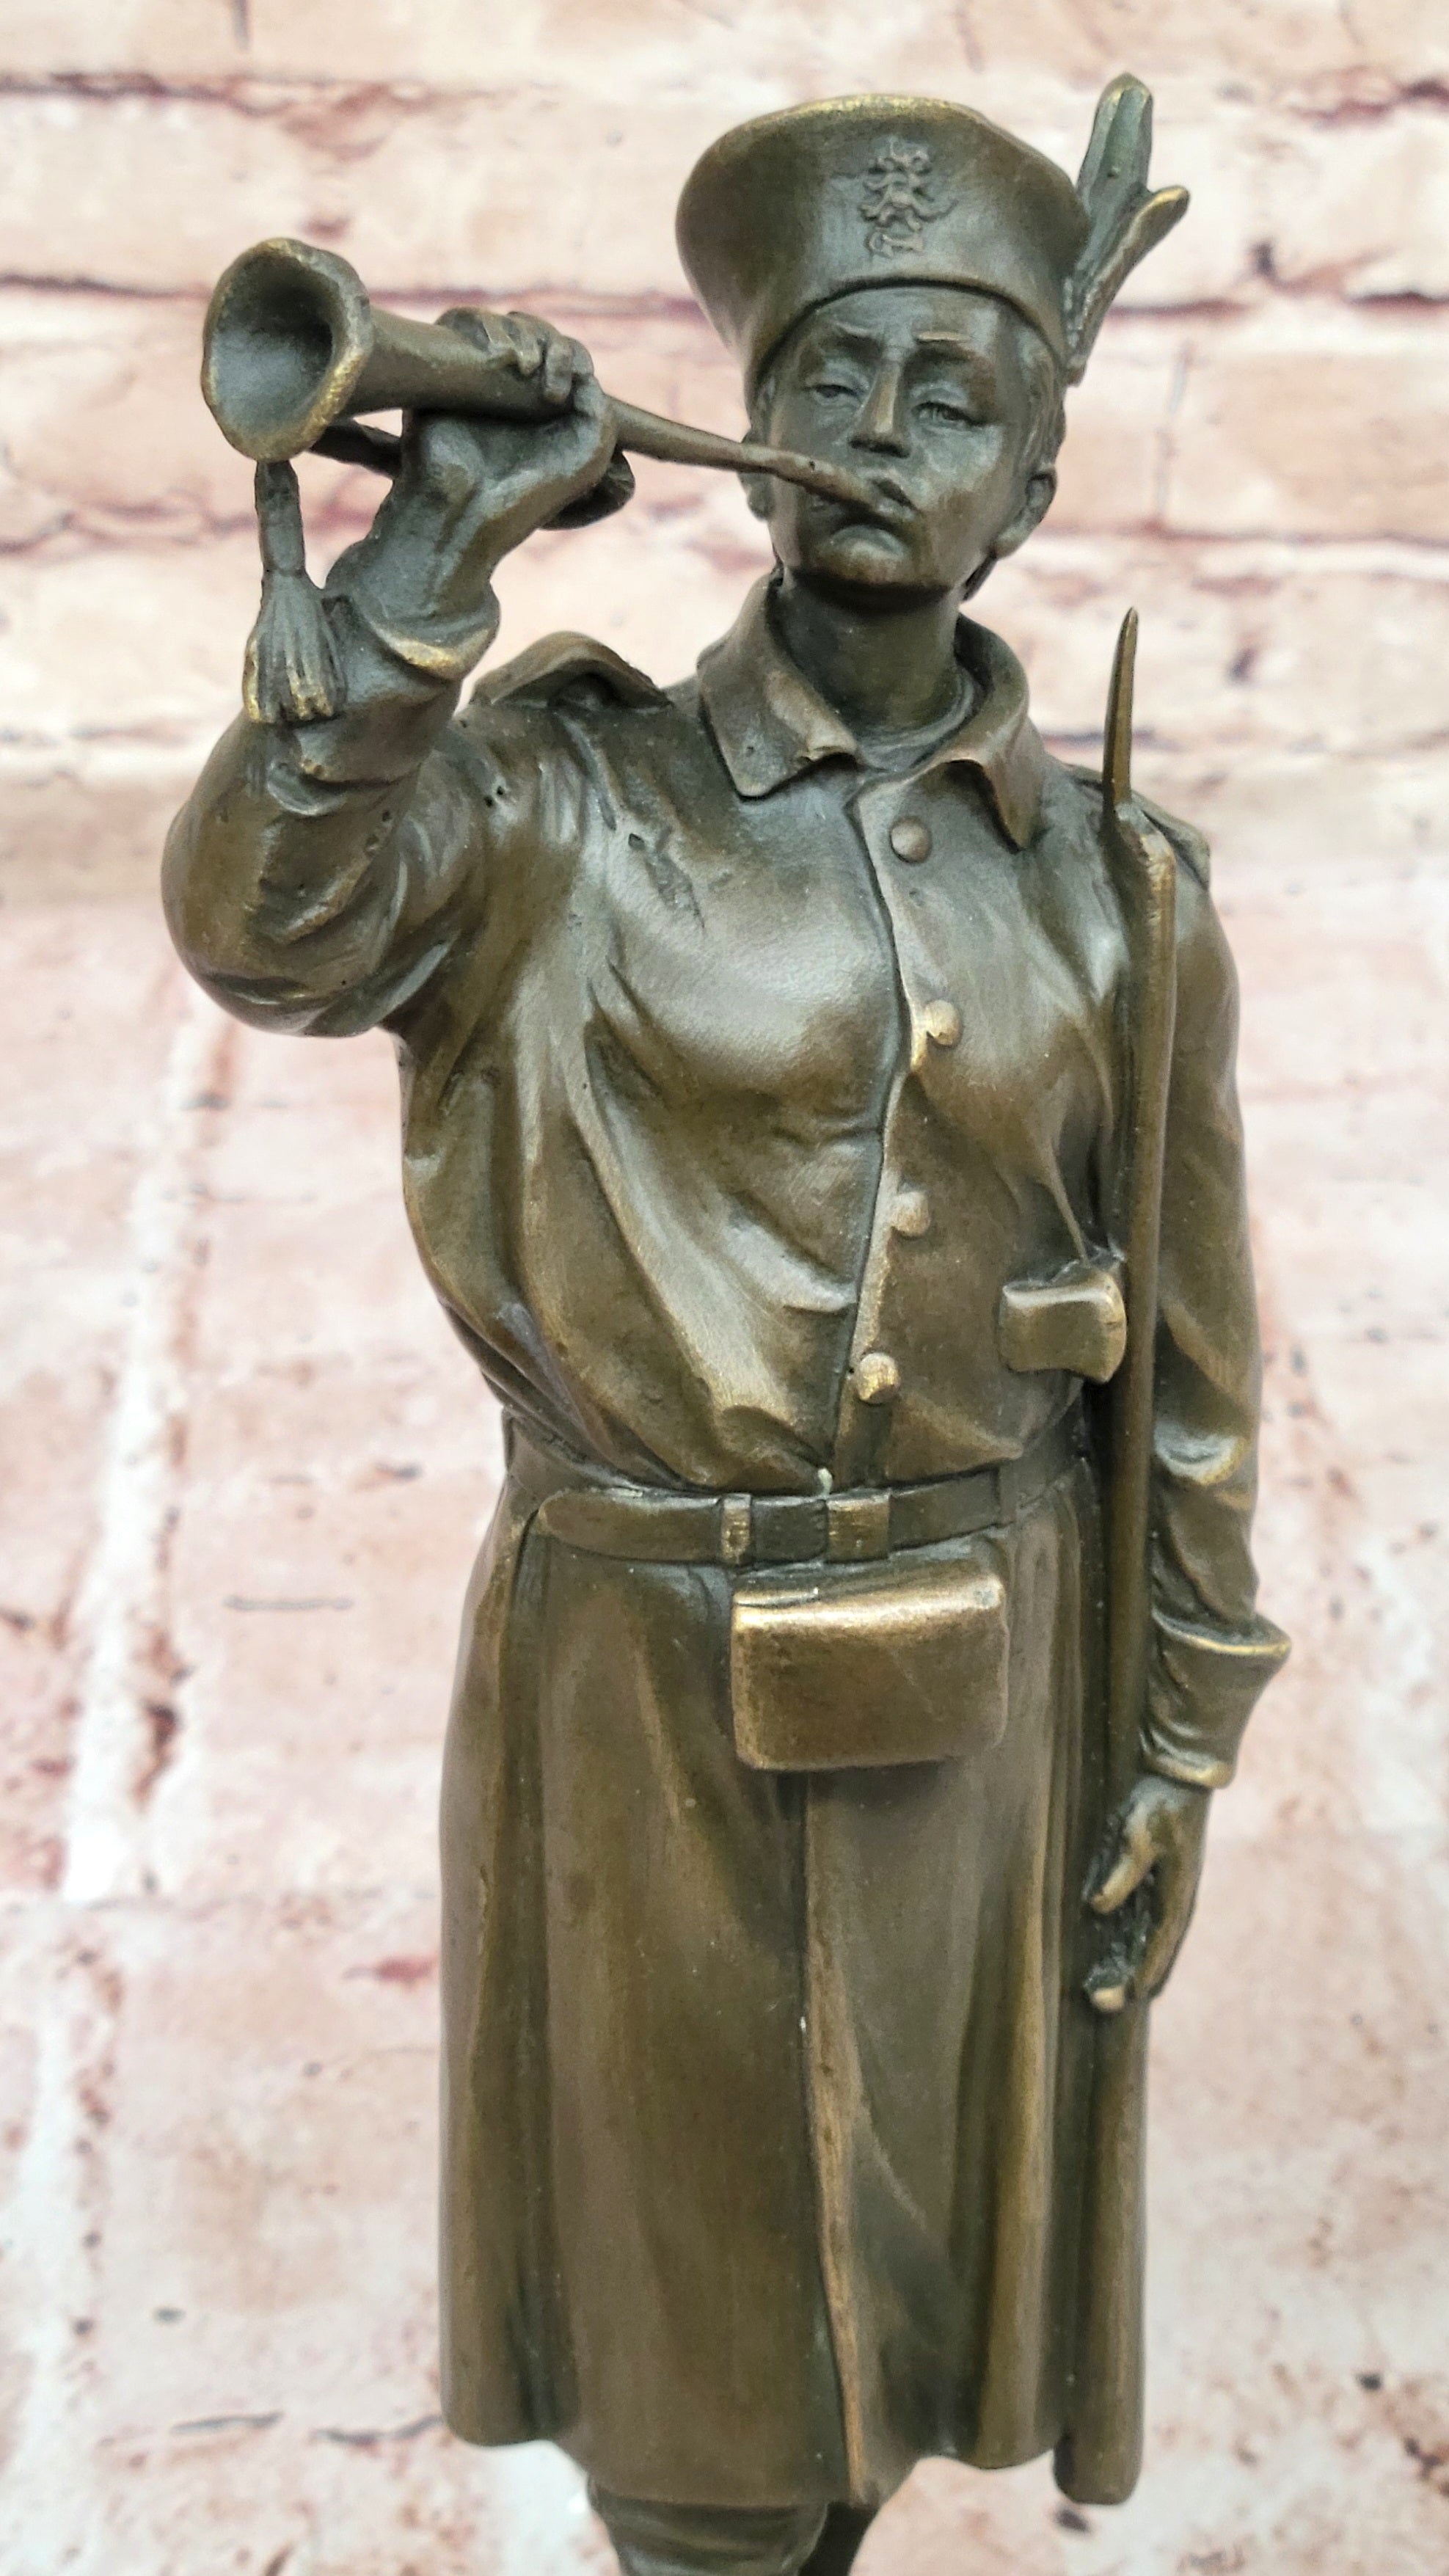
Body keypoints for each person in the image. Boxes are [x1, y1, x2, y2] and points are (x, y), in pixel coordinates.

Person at [164, 83, 1288, 2576]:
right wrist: (425, 563)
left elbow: (1194, 1380)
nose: (885, 433)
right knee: (691, 2385)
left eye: (954, 395)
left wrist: (1178, 1741)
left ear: (1033, 482)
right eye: (836, 377)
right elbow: (268, 928)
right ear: (756, 429)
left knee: (892, 2339)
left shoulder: (1120, 891)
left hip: (991, 1696)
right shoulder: (565, 801)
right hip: (639, 1696)